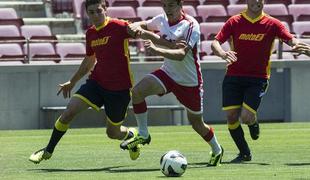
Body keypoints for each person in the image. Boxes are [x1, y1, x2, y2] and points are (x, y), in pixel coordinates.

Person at [29, 0, 142, 163]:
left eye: (98, 11)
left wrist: (162, 43)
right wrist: (72, 81)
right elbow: (89, 59)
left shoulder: (119, 26)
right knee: (68, 112)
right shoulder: (90, 33)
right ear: (87, 14)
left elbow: (140, 30)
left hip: (119, 89)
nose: (95, 15)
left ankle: (131, 136)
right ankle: (48, 150)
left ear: (105, 9)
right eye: (91, 12)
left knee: (113, 133)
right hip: (96, 83)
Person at [120, 0, 224, 166]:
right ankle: (143, 134)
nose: (168, 9)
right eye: (165, 5)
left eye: (171, 5)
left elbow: (181, 53)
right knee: (138, 92)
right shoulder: (161, 19)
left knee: (197, 124)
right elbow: (145, 24)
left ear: (180, 5)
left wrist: (155, 48)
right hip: (168, 74)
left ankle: (217, 150)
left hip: (189, 81)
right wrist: (135, 25)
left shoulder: (191, 25)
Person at [211, 0, 309, 163]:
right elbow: (215, 42)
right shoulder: (234, 21)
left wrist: (297, 45)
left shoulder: (273, 24)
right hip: (233, 76)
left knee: (247, 117)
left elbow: (291, 39)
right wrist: (222, 53)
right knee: (231, 116)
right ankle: (244, 153)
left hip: (258, 78)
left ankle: (253, 122)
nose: (256, 1)